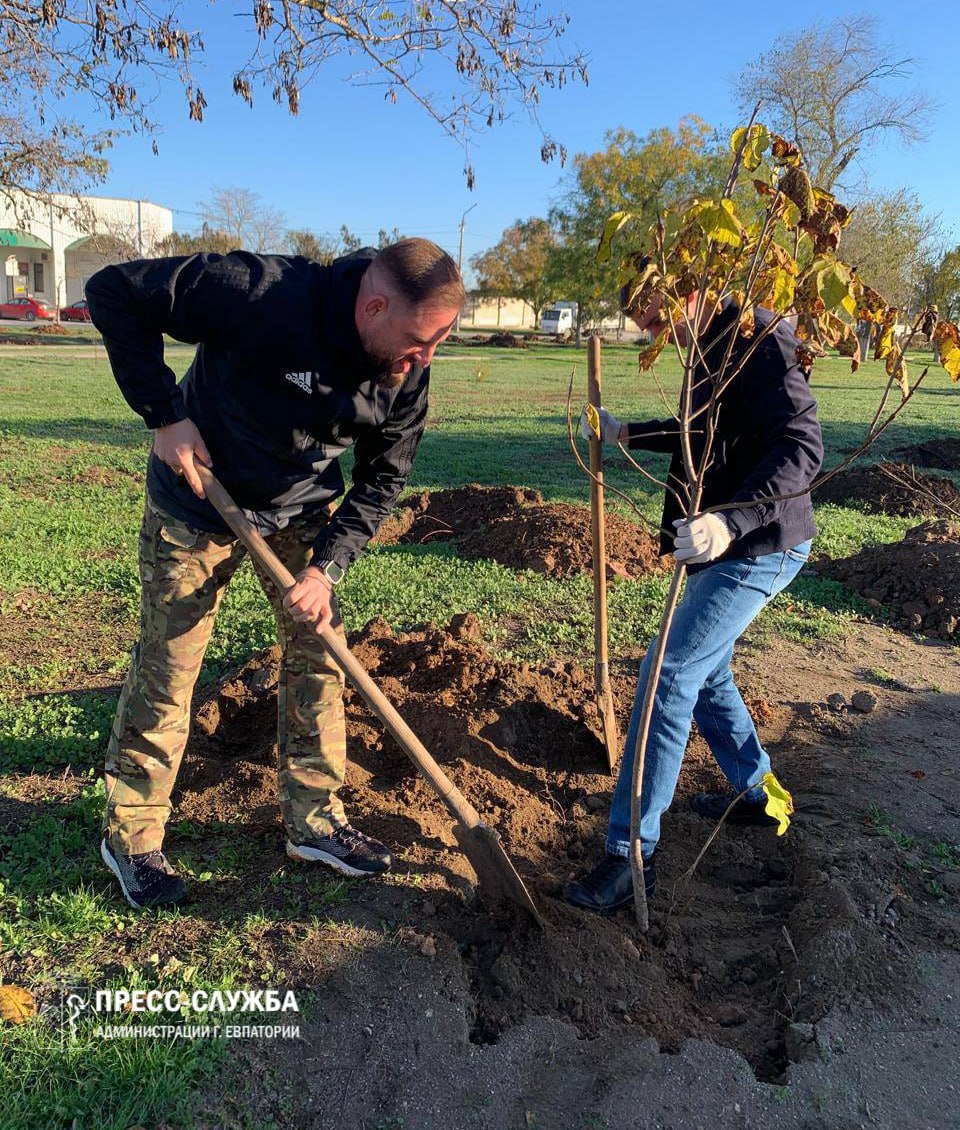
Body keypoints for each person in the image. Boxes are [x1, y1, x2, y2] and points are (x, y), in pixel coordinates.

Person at [87, 238, 465, 910]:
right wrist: (165, 416)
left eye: (438, 342)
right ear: (373, 306)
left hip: (299, 512)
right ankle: (133, 836)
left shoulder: (406, 368)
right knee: (171, 668)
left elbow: (384, 479)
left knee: (321, 652)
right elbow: (114, 291)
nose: (425, 358)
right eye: (418, 339)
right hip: (198, 499)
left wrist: (325, 569)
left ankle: (314, 819)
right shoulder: (258, 291)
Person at [565, 283, 823, 914]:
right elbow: (702, 432)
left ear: (694, 288)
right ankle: (759, 795)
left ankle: (631, 853)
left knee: (667, 673)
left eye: (657, 315)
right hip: (730, 543)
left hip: (761, 542)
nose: (656, 330)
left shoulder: (758, 339)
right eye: (641, 322)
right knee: (707, 673)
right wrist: (629, 432)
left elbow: (802, 446)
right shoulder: (709, 348)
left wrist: (729, 521)